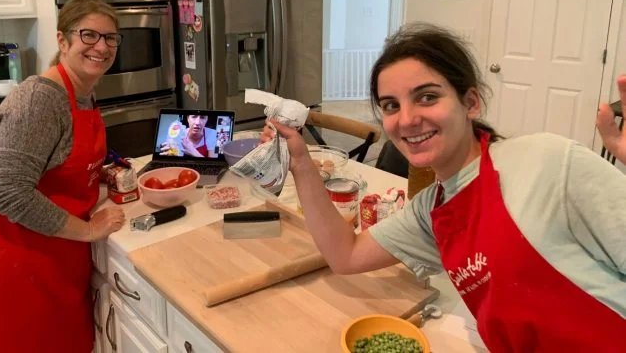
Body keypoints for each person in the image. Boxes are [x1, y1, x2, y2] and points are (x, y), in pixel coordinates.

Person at [263, 23, 626, 351]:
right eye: (391, 105)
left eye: (427, 97)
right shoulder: (431, 211)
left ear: (470, 102)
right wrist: (301, 163)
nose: (407, 119)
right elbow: (346, 256)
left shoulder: (548, 161)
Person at [0, 0, 127, 353]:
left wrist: (97, 173)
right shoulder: (40, 100)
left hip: (47, 251)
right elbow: (9, 192)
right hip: (4, 255)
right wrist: (91, 230)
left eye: (110, 38)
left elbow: (54, 165)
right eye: (89, 35)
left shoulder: (83, 93)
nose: (101, 47)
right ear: (62, 40)